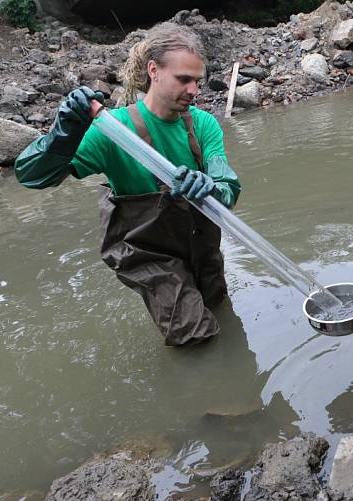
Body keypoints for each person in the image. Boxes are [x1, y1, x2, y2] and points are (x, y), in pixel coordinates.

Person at [15, 23, 242, 346]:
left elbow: (227, 188)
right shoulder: (113, 130)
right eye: (183, 79)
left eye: (197, 81)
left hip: (200, 244)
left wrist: (210, 187)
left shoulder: (203, 125)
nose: (194, 90)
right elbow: (32, 177)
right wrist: (62, 135)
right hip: (147, 253)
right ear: (154, 71)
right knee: (195, 335)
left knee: (218, 308)